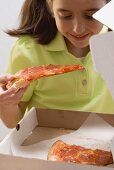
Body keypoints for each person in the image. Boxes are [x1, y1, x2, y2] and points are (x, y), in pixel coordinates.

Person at [0, 0, 113, 128]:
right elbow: (13, 123)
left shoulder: (111, 40)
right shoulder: (27, 51)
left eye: (90, 16)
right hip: (44, 141)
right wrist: (6, 104)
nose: (78, 28)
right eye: (66, 16)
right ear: (51, 7)